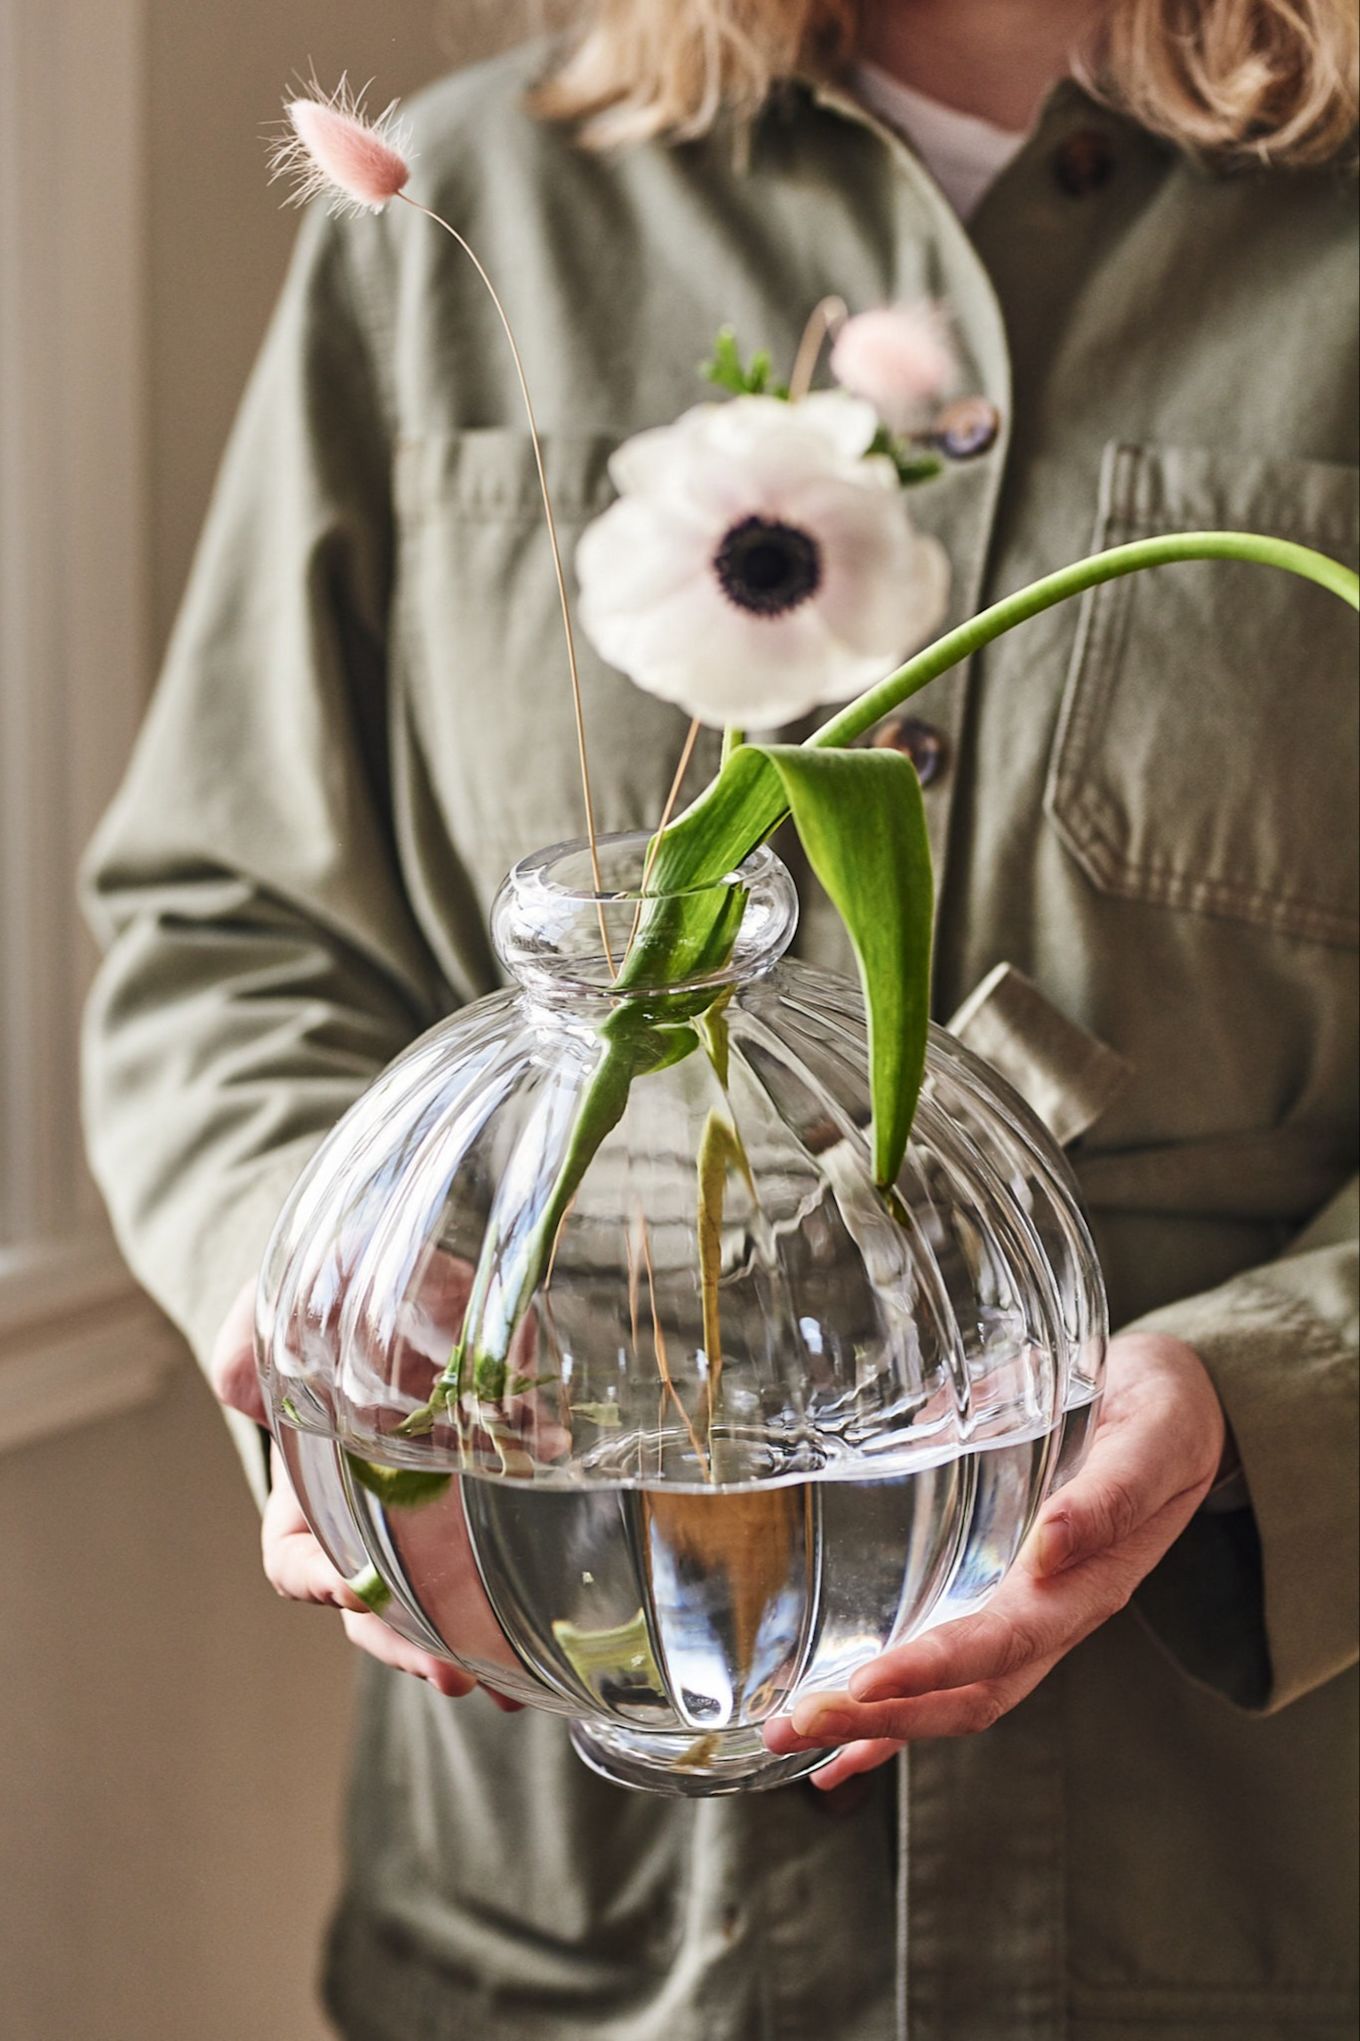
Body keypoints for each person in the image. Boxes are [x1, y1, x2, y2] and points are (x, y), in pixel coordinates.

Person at [82, 2, 1359, 2035]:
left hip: (1231, 1883)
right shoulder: (466, 205)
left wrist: (1265, 1392)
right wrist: (303, 1265)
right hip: (570, 1921)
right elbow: (220, 925)